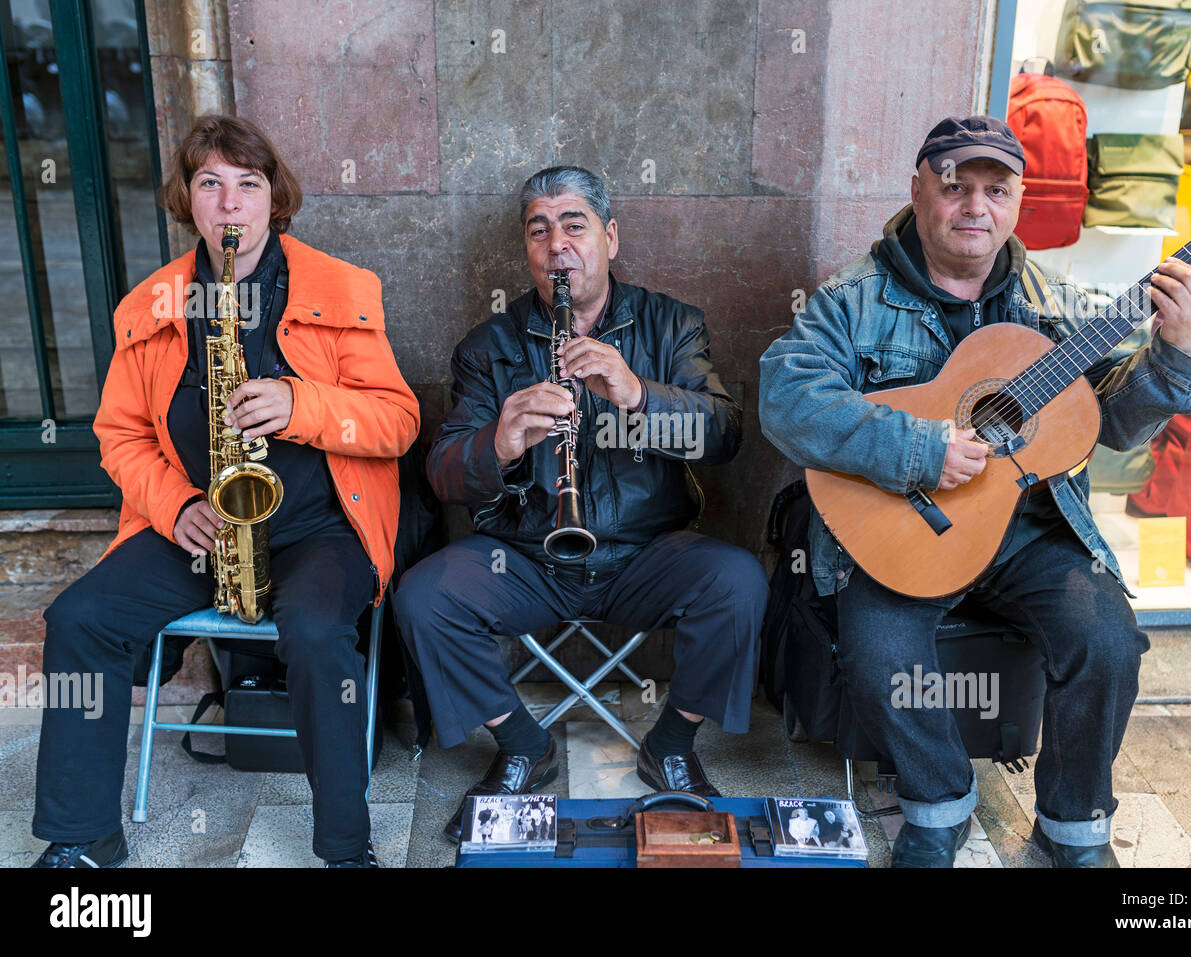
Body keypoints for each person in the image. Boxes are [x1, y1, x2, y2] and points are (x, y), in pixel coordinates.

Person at [759, 116, 1191, 868]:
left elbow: (1117, 426)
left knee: (1106, 641)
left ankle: (1073, 828)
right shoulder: (851, 298)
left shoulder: (1054, 300)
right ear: (918, 190)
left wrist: (1176, 353)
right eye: (955, 186)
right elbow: (786, 398)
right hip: (905, 529)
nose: (975, 206)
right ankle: (937, 805)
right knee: (880, 654)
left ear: (1018, 201)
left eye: (995, 190)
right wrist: (919, 447)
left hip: (1030, 531)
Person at [30, 115, 419, 869]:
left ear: (274, 201)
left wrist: (299, 404)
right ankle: (81, 836)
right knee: (79, 619)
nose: (230, 203)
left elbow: (399, 421)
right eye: (210, 183)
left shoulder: (342, 289)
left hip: (321, 527)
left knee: (312, 633)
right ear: (188, 200)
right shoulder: (149, 307)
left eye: (248, 184)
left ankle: (346, 849)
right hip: (202, 526)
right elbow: (120, 435)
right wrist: (176, 506)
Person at [394, 165, 768, 841]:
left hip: (646, 554)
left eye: (574, 225)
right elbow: (446, 473)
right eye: (539, 230)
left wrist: (640, 395)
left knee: (738, 580)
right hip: (526, 558)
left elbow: (726, 434)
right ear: (527, 251)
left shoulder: (672, 324)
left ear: (610, 236)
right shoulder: (490, 347)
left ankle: (673, 743)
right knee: (423, 596)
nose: (557, 245)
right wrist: (500, 442)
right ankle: (521, 745)